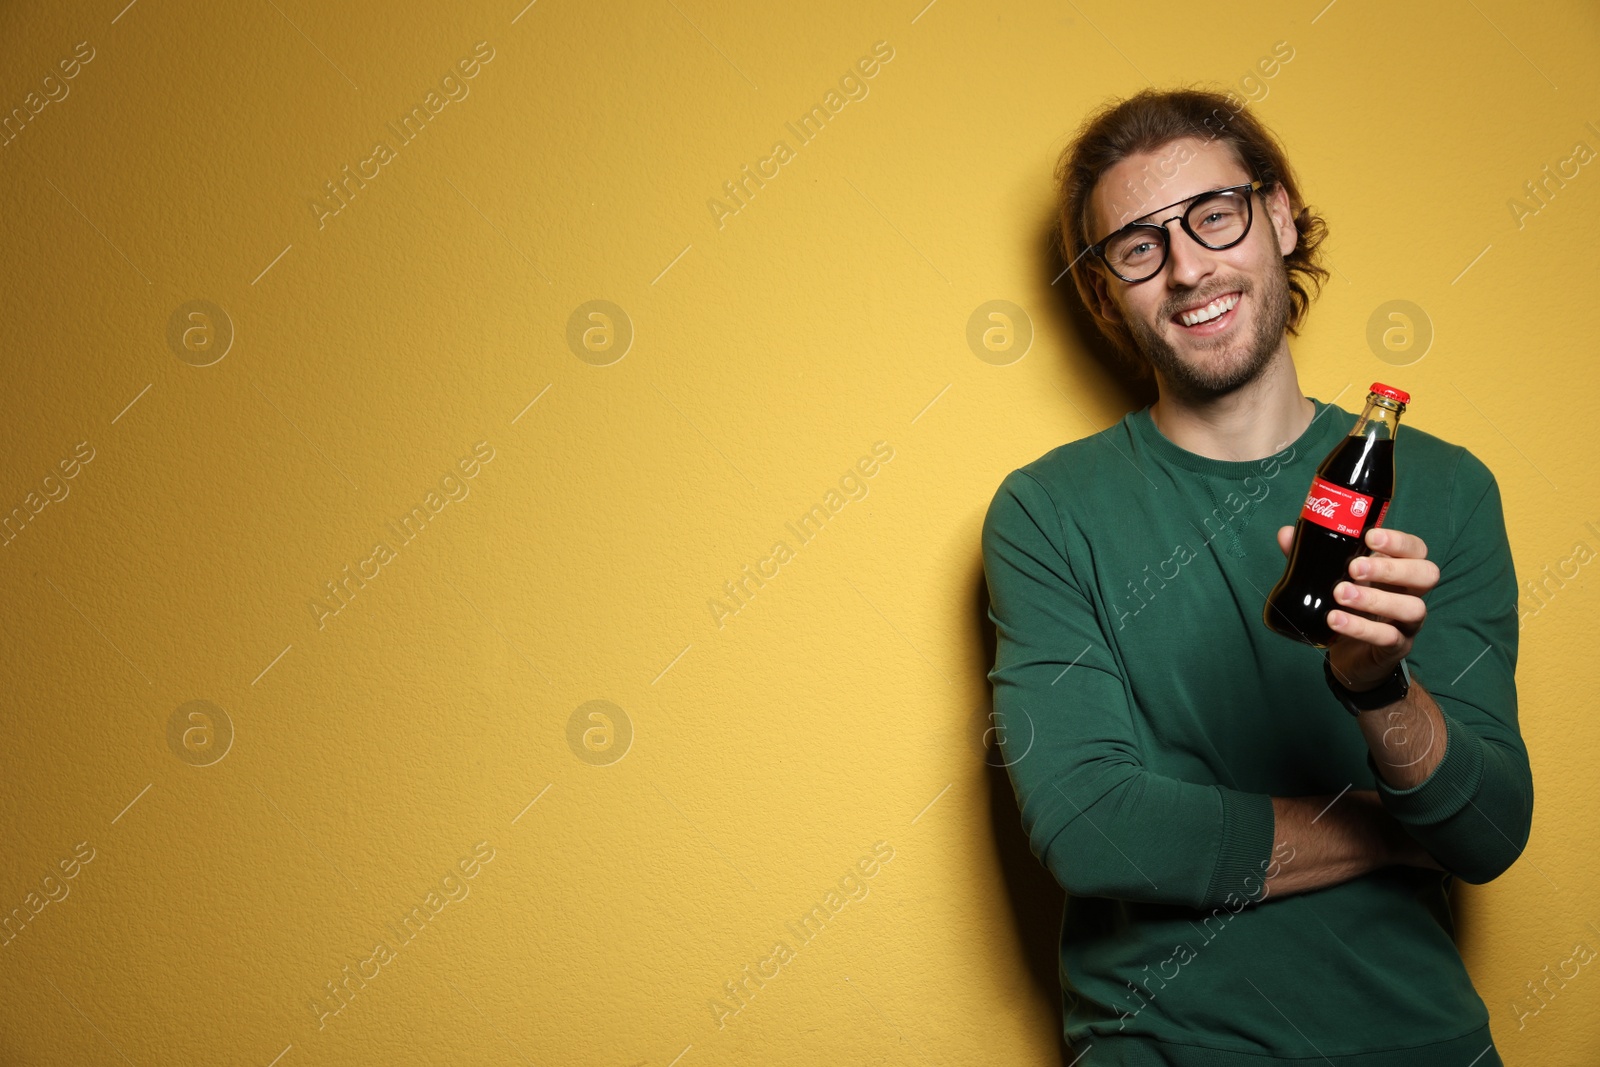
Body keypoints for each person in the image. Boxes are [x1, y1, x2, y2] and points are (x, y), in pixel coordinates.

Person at [980, 87, 1533, 1065]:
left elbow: (1487, 830)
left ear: (1278, 215)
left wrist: (1378, 685)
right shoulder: (1045, 511)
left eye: (1214, 215)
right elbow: (1092, 828)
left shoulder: (1445, 488)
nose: (1189, 266)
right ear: (1106, 289)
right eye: (1139, 246)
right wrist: (1395, 830)